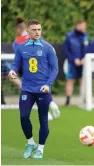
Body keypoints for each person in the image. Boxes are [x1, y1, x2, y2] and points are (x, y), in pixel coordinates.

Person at [8, 19, 59, 159]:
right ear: (28, 32)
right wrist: (12, 71)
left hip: (43, 90)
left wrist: (48, 84)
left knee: (43, 120)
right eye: (34, 30)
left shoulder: (48, 47)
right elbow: (15, 65)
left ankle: (40, 149)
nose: (37, 32)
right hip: (27, 89)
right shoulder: (21, 47)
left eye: (39, 29)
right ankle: (30, 143)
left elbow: (55, 68)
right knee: (23, 116)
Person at [12, 17, 60, 120]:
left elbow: (19, 58)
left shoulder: (17, 42)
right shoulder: (38, 37)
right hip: (42, 67)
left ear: (18, 29)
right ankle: (51, 103)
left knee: (33, 90)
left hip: (28, 69)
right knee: (42, 87)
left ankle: (46, 112)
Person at [63, 20, 89, 106]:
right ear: (78, 25)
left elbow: (88, 48)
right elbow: (65, 49)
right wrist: (74, 59)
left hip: (84, 63)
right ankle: (68, 100)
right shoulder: (69, 36)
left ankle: (84, 99)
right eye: (83, 26)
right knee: (70, 80)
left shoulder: (85, 35)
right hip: (72, 63)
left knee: (83, 80)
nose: (84, 28)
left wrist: (84, 58)